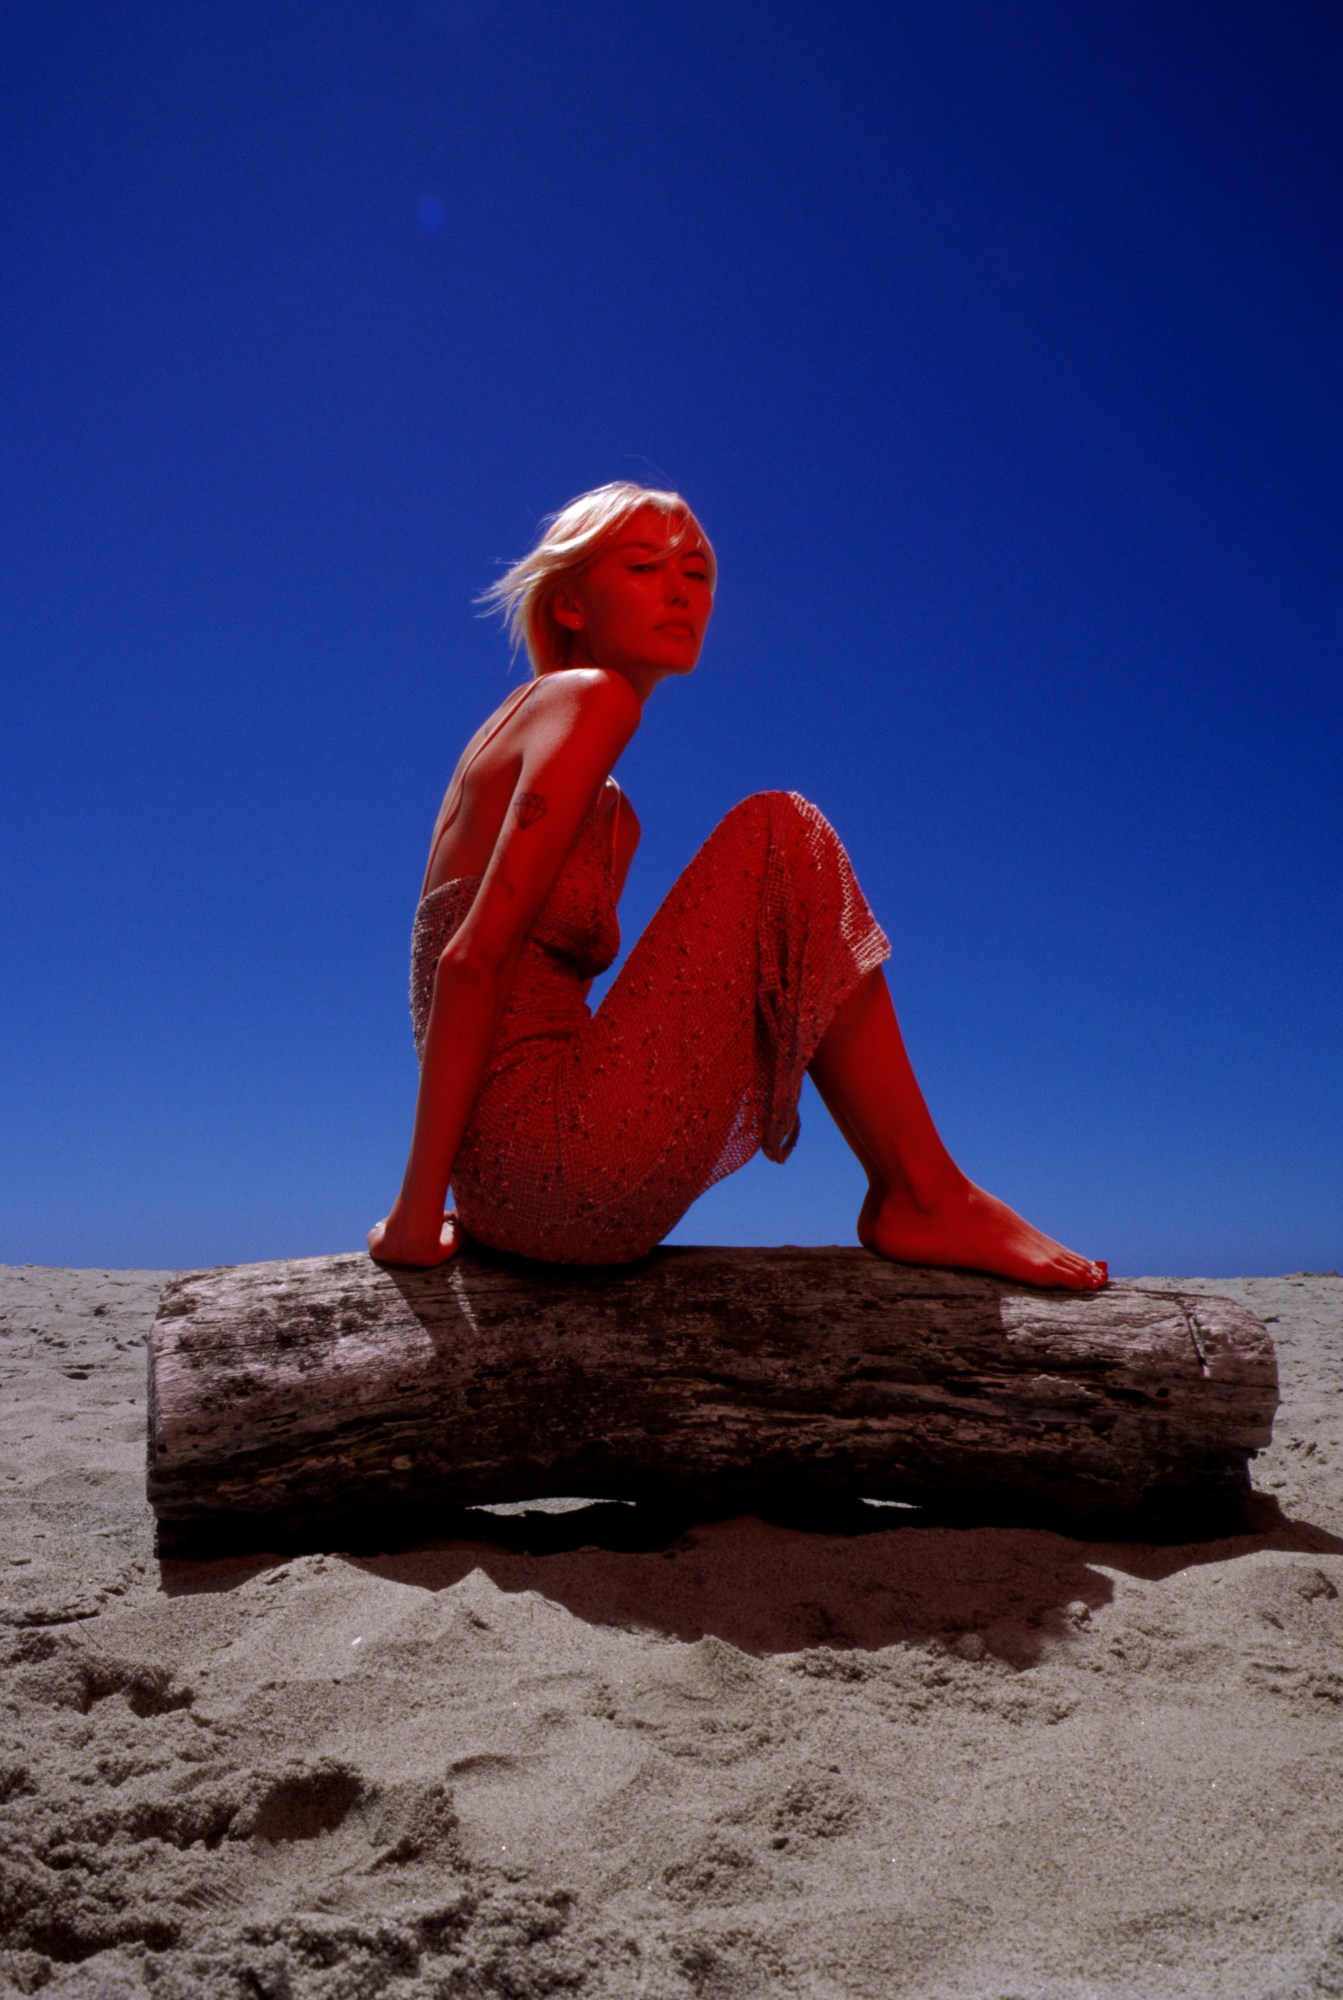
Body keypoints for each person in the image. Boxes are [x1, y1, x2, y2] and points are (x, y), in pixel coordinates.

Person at [368, 481, 1107, 1289]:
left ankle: (923, 1192)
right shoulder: (586, 700)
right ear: (571, 602)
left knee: (783, 870)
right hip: (541, 1162)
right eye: (646, 566)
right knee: (781, 834)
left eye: (697, 575)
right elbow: (467, 963)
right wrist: (415, 1214)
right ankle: (924, 1192)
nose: (680, 592)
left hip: (512, 1190)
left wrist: (466, 1195)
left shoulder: (610, 811)